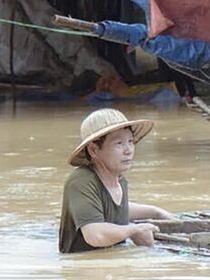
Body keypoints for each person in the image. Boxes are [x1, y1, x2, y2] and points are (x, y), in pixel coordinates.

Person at [59, 108, 174, 253]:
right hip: (86, 267)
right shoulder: (81, 181)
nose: (128, 150)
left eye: (130, 141)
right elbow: (94, 234)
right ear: (93, 150)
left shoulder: (119, 179)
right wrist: (133, 230)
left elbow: (117, 209)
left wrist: (157, 212)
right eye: (119, 143)